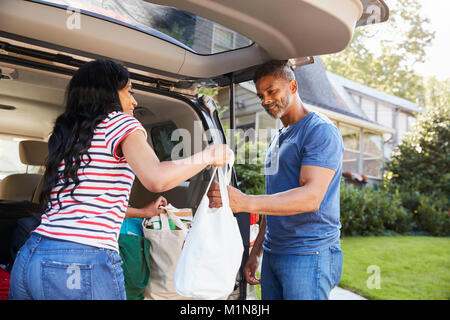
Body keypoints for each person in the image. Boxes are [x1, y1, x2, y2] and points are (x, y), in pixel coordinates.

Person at [8, 58, 233, 300]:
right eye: (128, 91)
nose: (134, 100)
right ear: (108, 93)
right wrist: (209, 154)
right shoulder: (120, 123)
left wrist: (141, 212)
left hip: (31, 255)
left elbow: (84, 205)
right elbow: (157, 178)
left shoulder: (69, 137)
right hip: (82, 260)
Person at [207, 60, 344, 300]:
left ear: (293, 86)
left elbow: (311, 198)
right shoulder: (277, 140)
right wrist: (257, 250)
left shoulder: (319, 131)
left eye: (272, 91)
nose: (265, 100)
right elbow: (273, 202)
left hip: (309, 253)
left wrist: (245, 202)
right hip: (273, 251)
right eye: (261, 95)